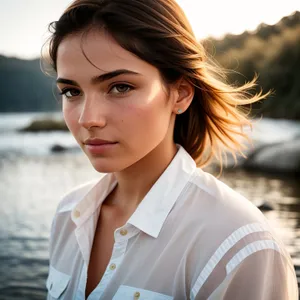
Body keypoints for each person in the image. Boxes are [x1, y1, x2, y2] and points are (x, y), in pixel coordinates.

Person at [44, 0, 298, 299]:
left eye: (120, 87)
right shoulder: (68, 215)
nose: (88, 119)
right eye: (72, 92)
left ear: (180, 93)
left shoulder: (238, 244)